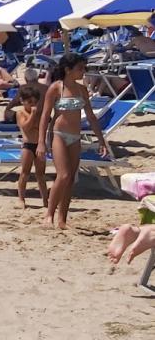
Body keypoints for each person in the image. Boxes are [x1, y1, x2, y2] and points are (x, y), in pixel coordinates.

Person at [38, 53, 110, 229]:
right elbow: (45, 116)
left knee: (70, 179)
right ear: (68, 70)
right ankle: (49, 215)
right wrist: (41, 142)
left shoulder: (81, 89)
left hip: (75, 137)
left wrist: (101, 141)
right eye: (80, 68)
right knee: (62, 175)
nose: (83, 72)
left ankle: (62, 219)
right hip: (59, 135)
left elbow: (92, 117)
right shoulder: (56, 88)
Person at [13, 83, 49, 210]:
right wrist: (33, 115)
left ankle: (45, 199)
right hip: (28, 146)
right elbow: (26, 127)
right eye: (29, 102)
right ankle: (21, 198)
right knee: (25, 173)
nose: (32, 105)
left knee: (41, 174)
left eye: (34, 102)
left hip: (39, 145)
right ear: (22, 101)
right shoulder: (20, 113)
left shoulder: (40, 113)